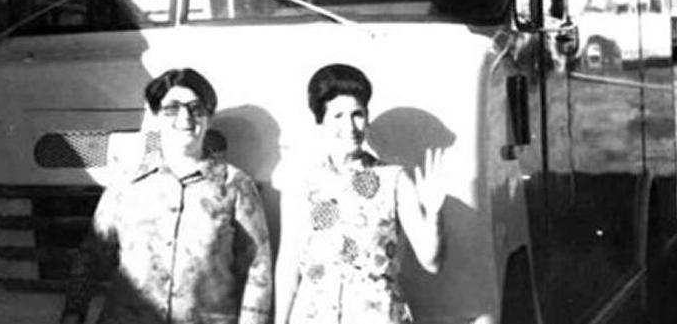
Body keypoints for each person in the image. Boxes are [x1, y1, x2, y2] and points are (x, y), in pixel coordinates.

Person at [60, 68, 273, 324]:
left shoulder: (235, 186)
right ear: (155, 116)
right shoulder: (125, 186)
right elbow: (91, 258)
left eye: (196, 108)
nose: (186, 117)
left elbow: (257, 270)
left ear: (209, 117)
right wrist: (73, 315)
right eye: (172, 108)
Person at [274, 64, 447, 324]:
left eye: (357, 114)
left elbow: (431, 262)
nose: (351, 126)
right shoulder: (302, 184)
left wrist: (434, 215)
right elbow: (288, 266)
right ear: (321, 121)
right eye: (338, 116)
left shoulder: (394, 179)